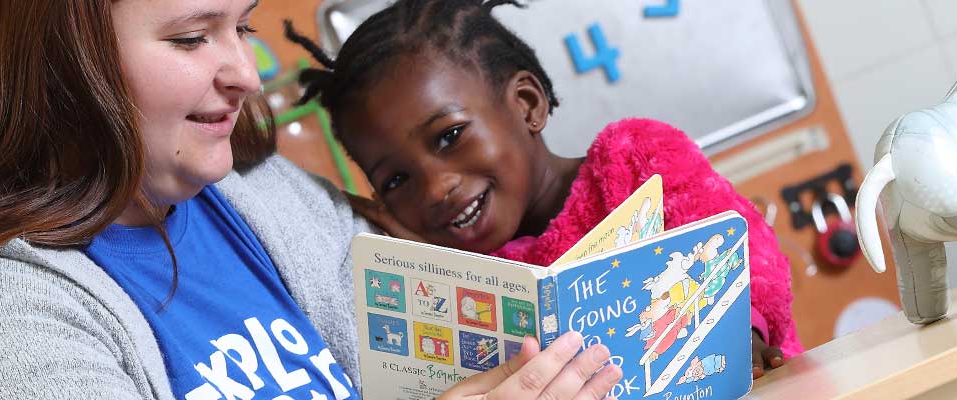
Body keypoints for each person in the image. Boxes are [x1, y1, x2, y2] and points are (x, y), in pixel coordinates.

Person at [0, 0, 615, 398]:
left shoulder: (257, 187)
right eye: (192, 38)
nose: (246, 73)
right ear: (61, 60)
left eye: (242, 26)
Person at [282, 0, 802, 375]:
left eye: (450, 136)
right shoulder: (458, 278)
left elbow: (742, 247)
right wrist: (427, 266)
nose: (436, 187)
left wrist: (743, 330)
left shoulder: (634, 159)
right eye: (395, 180)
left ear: (527, 104)